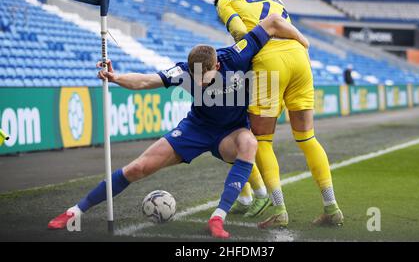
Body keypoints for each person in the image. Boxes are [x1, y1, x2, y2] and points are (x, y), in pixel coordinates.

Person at [47, 14, 307, 238]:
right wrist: (116, 77)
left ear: (217, 65)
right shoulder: (183, 72)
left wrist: (302, 42)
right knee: (138, 168)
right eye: (196, 79)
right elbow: (145, 81)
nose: (201, 85)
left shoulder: (236, 56)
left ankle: (217, 218)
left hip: (231, 132)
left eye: (205, 79)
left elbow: (273, 21)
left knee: (249, 143)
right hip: (196, 128)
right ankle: (75, 211)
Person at [208, 0, 343, 228]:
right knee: (307, 138)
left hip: (269, 60)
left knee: (261, 140)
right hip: (300, 59)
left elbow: (239, 32)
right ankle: (331, 207)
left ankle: (279, 208)